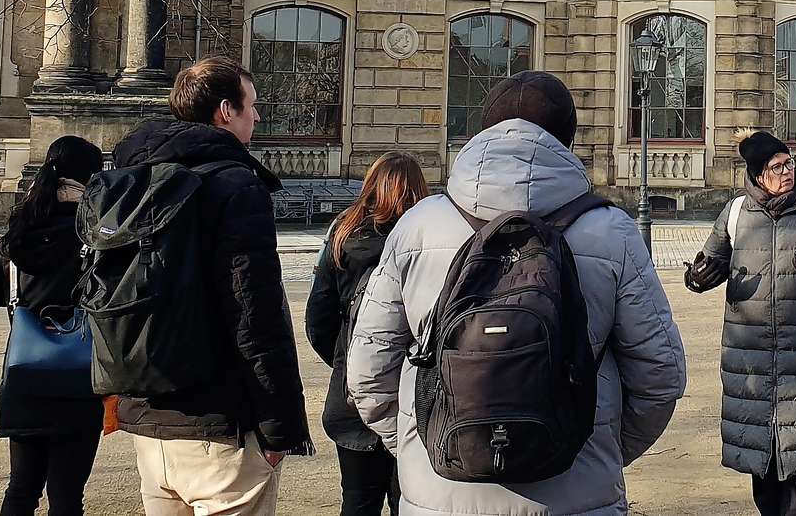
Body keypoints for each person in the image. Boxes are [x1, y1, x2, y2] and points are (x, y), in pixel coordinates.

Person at [347, 70, 687, 516]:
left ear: (481, 132)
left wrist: (420, 443)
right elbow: (659, 374)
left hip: (438, 490)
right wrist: (592, 448)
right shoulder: (612, 232)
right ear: (566, 139)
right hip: (577, 489)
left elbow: (368, 370)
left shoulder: (419, 224)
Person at [111, 55, 311, 515]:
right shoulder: (235, 184)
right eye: (251, 106)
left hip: (148, 414)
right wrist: (281, 427)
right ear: (225, 111)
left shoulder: (130, 178)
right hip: (219, 424)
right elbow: (253, 315)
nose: (257, 116)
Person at [683, 130, 796, 516]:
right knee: (764, 482)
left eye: (789, 163)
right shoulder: (734, 214)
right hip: (752, 365)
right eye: (777, 167)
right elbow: (706, 262)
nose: (788, 171)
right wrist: (697, 278)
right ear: (759, 175)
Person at [0, 135, 107, 516]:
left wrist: (23, 298)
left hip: (26, 371)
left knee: (21, 489)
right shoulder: (96, 235)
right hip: (80, 375)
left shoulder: (19, 232)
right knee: (66, 496)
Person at [306, 152, 431, 516]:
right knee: (410, 503)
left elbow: (318, 319)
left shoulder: (342, 234)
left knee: (358, 501)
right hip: (412, 395)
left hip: (352, 398)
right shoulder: (425, 241)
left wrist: (348, 360)